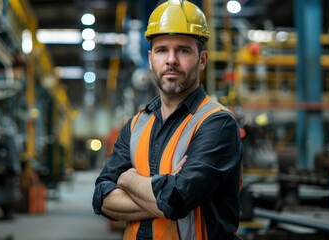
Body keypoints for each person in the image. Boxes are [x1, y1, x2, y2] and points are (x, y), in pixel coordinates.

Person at [92, 0, 244, 239]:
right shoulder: (135, 126)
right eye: (162, 50)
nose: (171, 59)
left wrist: (127, 178)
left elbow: (176, 200)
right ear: (151, 58)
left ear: (202, 60)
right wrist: (161, 196)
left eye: (183, 50)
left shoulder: (218, 123)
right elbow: (101, 198)